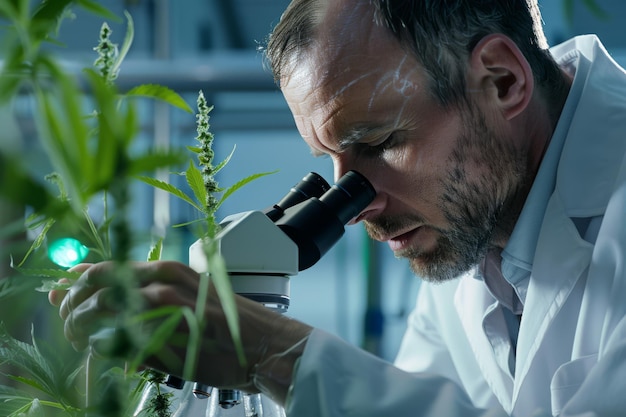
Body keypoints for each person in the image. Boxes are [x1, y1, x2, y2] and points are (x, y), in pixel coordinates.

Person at [48, 0, 626, 415]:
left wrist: (274, 354)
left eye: (377, 144)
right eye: (329, 159)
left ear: (501, 81)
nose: (356, 204)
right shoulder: (465, 230)